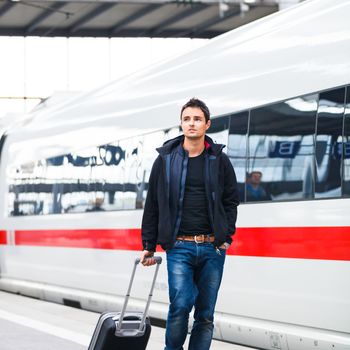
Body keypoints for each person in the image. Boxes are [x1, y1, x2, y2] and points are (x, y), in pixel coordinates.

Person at [140, 98, 239, 350]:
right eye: (186, 119)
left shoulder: (219, 160)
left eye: (197, 119)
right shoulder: (165, 160)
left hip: (212, 247)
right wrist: (149, 245)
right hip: (179, 247)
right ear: (181, 123)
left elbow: (231, 201)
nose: (191, 123)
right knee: (181, 305)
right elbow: (153, 203)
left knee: (205, 314)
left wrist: (226, 237)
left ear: (207, 124)